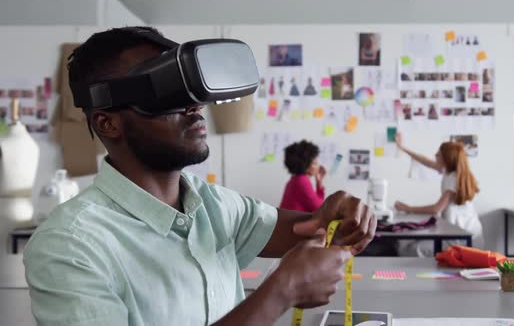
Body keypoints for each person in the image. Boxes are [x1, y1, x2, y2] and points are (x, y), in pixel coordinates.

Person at [23, 27, 376, 326]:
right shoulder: (70, 247)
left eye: (188, 88)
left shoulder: (215, 206)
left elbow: (309, 227)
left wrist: (338, 216)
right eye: (164, 92)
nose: (194, 106)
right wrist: (281, 291)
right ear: (107, 122)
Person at [393, 133, 483, 256]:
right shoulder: (449, 171)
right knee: (406, 244)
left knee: (412, 248)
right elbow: (423, 160)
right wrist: (402, 148)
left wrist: (408, 208)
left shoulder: (453, 178)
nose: (435, 155)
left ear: (446, 158)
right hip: (459, 231)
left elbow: (436, 209)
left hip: (462, 236)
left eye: (438, 154)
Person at [280, 140, 326, 213]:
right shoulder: (302, 181)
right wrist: (319, 186)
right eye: (315, 163)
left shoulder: (294, 180)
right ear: (306, 166)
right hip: (292, 223)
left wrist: (319, 183)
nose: (318, 166)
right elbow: (320, 208)